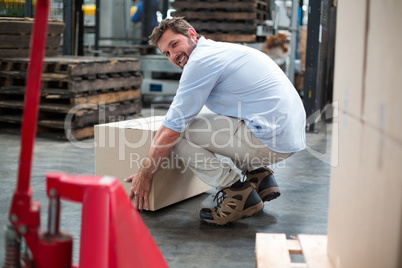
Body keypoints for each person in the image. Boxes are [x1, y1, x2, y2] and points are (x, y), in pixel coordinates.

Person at [125, 17, 306, 226]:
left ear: (192, 34)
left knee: (177, 133)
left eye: (174, 44)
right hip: (287, 134)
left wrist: (145, 174)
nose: (173, 55)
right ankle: (259, 177)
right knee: (204, 114)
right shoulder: (219, 51)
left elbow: (172, 129)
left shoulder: (200, 62)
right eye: (167, 53)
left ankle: (237, 193)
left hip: (271, 140)